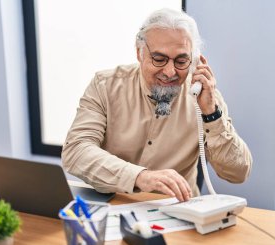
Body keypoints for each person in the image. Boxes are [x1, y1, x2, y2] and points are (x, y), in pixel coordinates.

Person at [62, 8, 252, 202]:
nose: (170, 72)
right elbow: (76, 150)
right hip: (113, 204)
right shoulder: (105, 86)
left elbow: (237, 173)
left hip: (178, 212)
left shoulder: (205, 98)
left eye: (181, 60)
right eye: (159, 59)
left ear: (194, 60)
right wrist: (139, 177)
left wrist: (211, 114)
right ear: (139, 53)